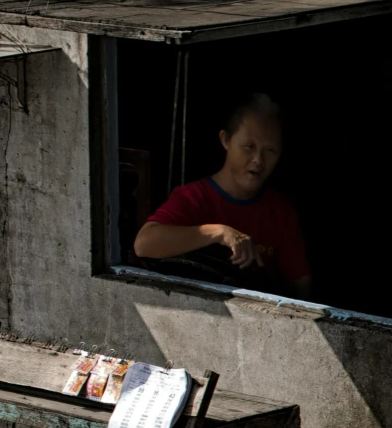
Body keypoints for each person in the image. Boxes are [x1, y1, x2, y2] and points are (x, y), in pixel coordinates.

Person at [133, 93, 312, 297]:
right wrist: (219, 233)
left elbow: (300, 285)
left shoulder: (280, 212)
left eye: (270, 151)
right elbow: (144, 244)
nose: (258, 160)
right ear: (225, 140)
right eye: (249, 146)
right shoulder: (194, 197)